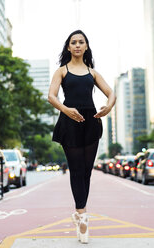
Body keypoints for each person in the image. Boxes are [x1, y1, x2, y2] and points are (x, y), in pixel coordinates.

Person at [48, 30, 116, 244]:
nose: (77, 45)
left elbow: (111, 93)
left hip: (91, 121)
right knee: (76, 170)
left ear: (86, 46)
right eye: (73, 42)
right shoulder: (62, 71)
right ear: (68, 47)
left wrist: (107, 108)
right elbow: (51, 95)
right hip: (70, 121)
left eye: (81, 42)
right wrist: (66, 110)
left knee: (86, 171)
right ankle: (83, 213)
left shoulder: (92, 73)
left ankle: (79, 215)